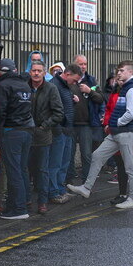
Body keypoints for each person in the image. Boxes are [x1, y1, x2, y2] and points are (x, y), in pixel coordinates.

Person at [67, 61, 133, 210]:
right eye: (118, 70)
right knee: (97, 155)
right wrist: (113, 124)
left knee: (130, 167)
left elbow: (132, 113)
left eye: (121, 70)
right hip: (116, 132)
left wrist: (117, 123)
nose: (119, 73)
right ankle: (86, 188)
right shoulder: (124, 88)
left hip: (126, 133)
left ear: (129, 72)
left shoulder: (132, 89)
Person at [0, 59, 34, 220]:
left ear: (1, 71)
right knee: (21, 169)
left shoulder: (2, 86)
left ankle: (18, 209)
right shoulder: (25, 85)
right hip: (27, 130)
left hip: (11, 131)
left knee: (13, 170)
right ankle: (20, 204)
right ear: (15, 70)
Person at [27, 61, 63, 214]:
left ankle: (42, 202)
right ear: (30, 72)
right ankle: (26, 200)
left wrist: (44, 126)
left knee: (42, 170)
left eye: (39, 71)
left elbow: (59, 112)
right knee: (26, 169)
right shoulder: (24, 87)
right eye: (33, 70)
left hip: (43, 136)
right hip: (26, 134)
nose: (36, 73)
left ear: (44, 73)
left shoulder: (51, 88)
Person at [49, 64, 81, 204]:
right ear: (67, 74)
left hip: (67, 129)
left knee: (64, 163)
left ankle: (60, 190)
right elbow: (52, 108)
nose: (75, 83)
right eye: (74, 80)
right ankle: (54, 192)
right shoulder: (54, 85)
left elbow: (63, 106)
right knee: (55, 163)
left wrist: (72, 102)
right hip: (59, 130)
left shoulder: (65, 86)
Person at [70, 54, 103, 184]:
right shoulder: (69, 79)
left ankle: (87, 181)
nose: (83, 67)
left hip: (86, 123)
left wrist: (90, 91)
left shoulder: (91, 81)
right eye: (80, 64)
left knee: (86, 154)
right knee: (69, 154)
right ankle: (69, 180)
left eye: (85, 64)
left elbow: (100, 99)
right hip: (70, 123)